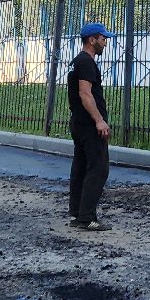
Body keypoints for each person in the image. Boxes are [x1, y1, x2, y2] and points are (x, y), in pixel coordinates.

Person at [67, 22, 114, 231]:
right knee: (98, 168)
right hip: (88, 124)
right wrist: (99, 120)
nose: (105, 42)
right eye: (102, 39)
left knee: (80, 167)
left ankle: (78, 213)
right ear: (92, 40)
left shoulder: (77, 61)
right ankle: (87, 218)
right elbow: (85, 94)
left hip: (78, 122)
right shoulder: (85, 62)